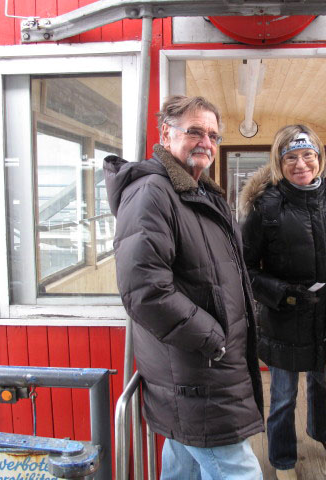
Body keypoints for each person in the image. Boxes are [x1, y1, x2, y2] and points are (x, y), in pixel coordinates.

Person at [104, 95, 264, 480]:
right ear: (166, 134)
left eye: (212, 134)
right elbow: (145, 289)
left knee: (184, 465)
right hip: (197, 369)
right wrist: (213, 336)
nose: (205, 142)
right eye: (194, 131)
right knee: (239, 471)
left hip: (206, 369)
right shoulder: (152, 193)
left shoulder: (202, 193)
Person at [239, 124, 326, 480]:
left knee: (323, 382)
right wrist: (284, 293)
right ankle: (283, 459)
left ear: (318, 158)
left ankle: (324, 432)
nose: (300, 164)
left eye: (307, 155)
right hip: (282, 316)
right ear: (279, 162)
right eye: (291, 158)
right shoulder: (265, 206)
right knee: (283, 394)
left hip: (324, 314)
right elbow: (243, 268)